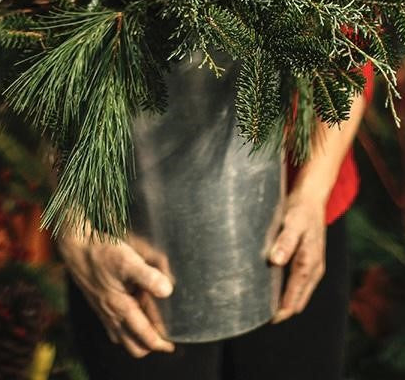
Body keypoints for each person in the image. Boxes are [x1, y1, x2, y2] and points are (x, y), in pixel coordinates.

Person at [59, 66, 372, 379]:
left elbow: (358, 38)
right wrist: (75, 224)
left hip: (295, 218)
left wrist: (313, 189)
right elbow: (26, 41)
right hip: (123, 240)